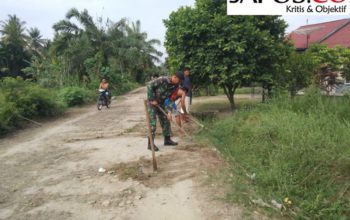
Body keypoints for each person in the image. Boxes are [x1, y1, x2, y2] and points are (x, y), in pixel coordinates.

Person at [147, 71, 185, 151]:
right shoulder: (162, 80)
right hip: (152, 103)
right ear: (174, 77)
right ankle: (150, 144)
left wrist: (169, 111)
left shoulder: (175, 85)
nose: (180, 82)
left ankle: (167, 140)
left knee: (166, 121)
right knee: (153, 124)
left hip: (161, 103)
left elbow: (171, 99)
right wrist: (152, 99)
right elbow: (149, 85)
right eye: (179, 80)